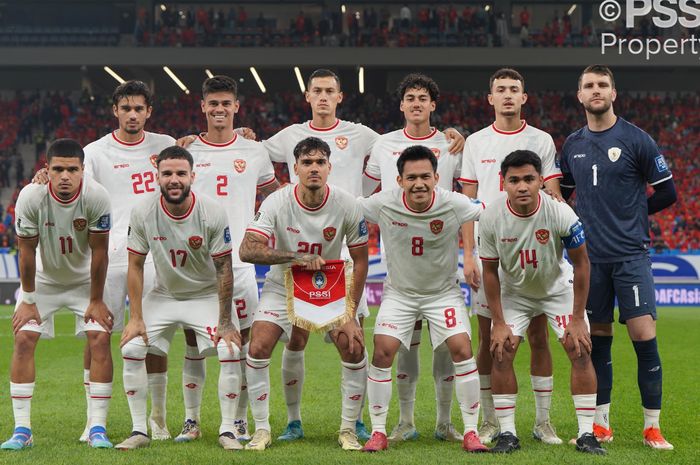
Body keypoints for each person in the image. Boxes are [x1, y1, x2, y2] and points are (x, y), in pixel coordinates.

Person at [560, 64, 676, 450]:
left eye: (603, 85)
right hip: (589, 261)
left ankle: (652, 426)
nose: (596, 90)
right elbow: (564, 195)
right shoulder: (572, 144)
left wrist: (634, 215)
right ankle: (602, 423)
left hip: (630, 256)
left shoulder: (636, 139)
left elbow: (667, 192)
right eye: (589, 85)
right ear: (580, 96)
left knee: (644, 336)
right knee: (599, 342)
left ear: (613, 93)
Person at [239, 137, 368, 451]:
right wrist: (294, 258)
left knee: (353, 347)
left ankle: (349, 429)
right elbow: (247, 249)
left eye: (320, 162)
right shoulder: (277, 202)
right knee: (258, 346)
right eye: (307, 163)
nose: (314, 168)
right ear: (295, 168)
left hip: (332, 283)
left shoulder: (346, 202)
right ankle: (264, 429)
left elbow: (361, 259)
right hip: (283, 282)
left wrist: (350, 314)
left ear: (329, 168)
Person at [358, 146, 487, 453]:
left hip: (443, 293)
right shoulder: (383, 203)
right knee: (383, 352)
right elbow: (346, 208)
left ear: (437, 177)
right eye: (411, 177)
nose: (419, 183)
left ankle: (470, 431)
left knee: (462, 348)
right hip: (400, 294)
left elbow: (490, 210)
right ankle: (378, 431)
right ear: (400, 180)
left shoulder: (453, 203)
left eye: (425, 176)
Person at [459, 68, 563, 445]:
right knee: (489, 338)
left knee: (538, 336)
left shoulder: (541, 139)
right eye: (500, 89)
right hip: (491, 251)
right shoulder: (475, 142)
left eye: (513, 90)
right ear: (490, 98)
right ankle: (490, 420)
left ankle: (543, 421)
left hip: (534, 250)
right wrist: (468, 254)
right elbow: (469, 204)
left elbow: (552, 193)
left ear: (524, 97)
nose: (506, 95)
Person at [479, 149, 605, 455]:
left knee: (580, 348)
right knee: (500, 351)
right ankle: (507, 433)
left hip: (556, 290)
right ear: (503, 182)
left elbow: (582, 265)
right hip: (515, 293)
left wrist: (577, 318)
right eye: (514, 180)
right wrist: (497, 322)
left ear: (540, 181)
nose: (522, 186)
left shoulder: (560, 213)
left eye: (529, 179)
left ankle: (587, 434)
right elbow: (490, 272)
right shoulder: (491, 216)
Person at [116, 146, 243, 450]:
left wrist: (225, 321)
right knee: (131, 347)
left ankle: (228, 431)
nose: (174, 180)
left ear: (192, 177)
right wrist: (135, 318)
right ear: (156, 177)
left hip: (205, 295)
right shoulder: (143, 211)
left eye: (181, 174)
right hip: (165, 294)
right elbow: (134, 266)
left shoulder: (211, 210)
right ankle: (139, 431)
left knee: (229, 350)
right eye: (167, 173)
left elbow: (224, 267)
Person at [363, 72, 464, 443]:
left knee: (445, 344)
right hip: (400, 258)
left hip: (440, 256)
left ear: (433, 105)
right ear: (402, 105)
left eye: (424, 97)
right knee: (404, 342)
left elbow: (464, 197)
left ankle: (444, 422)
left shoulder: (452, 145)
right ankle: (405, 422)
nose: (417, 103)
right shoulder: (383, 145)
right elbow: (368, 194)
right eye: (411, 98)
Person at [178, 75, 279, 443]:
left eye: (226, 104)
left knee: (247, 343)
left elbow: (273, 195)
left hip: (240, 263)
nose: (219, 109)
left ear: (236, 107)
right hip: (197, 264)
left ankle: (238, 421)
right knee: (194, 344)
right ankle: (192, 421)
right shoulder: (188, 152)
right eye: (213, 104)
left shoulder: (255, 151)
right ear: (202, 107)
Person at [78, 80, 175, 441]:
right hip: (111, 254)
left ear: (149, 111)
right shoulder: (95, 152)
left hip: (155, 254)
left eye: (139, 108)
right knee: (97, 338)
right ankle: (93, 420)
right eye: (126, 108)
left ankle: (158, 418)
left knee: (154, 339)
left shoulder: (165, 145)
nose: (132, 114)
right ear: (114, 110)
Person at [2, 139, 113, 450]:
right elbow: (26, 251)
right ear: (46, 169)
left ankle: (97, 427)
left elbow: (100, 251)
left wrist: (96, 299)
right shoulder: (31, 195)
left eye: (72, 169)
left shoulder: (96, 195)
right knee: (23, 338)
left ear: (83, 170)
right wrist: (28, 299)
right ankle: (22, 430)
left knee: (100, 338)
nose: (65, 176)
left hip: (83, 282)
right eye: (58, 169)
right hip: (44, 280)